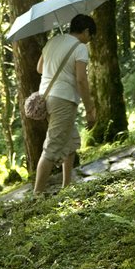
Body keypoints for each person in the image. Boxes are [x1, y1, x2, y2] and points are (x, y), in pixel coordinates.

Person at [33, 13, 97, 195]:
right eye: (90, 37)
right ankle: (36, 196)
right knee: (52, 148)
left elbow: (39, 68)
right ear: (85, 31)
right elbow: (82, 80)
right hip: (63, 99)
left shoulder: (52, 41)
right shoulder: (80, 48)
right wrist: (90, 108)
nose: (89, 41)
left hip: (46, 97)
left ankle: (67, 186)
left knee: (70, 141)